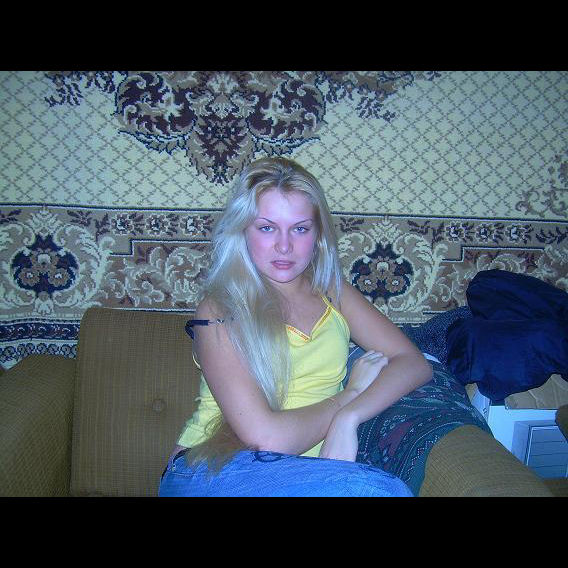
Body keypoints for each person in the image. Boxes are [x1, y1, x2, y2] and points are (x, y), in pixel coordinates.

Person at [158, 157, 433, 497]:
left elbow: (413, 362)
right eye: (267, 227)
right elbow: (266, 439)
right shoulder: (219, 308)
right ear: (242, 230)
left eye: (300, 228)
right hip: (210, 469)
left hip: (301, 477)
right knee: (378, 491)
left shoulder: (333, 293)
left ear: (318, 235)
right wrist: (348, 397)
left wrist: (350, 417)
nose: (284, 246)